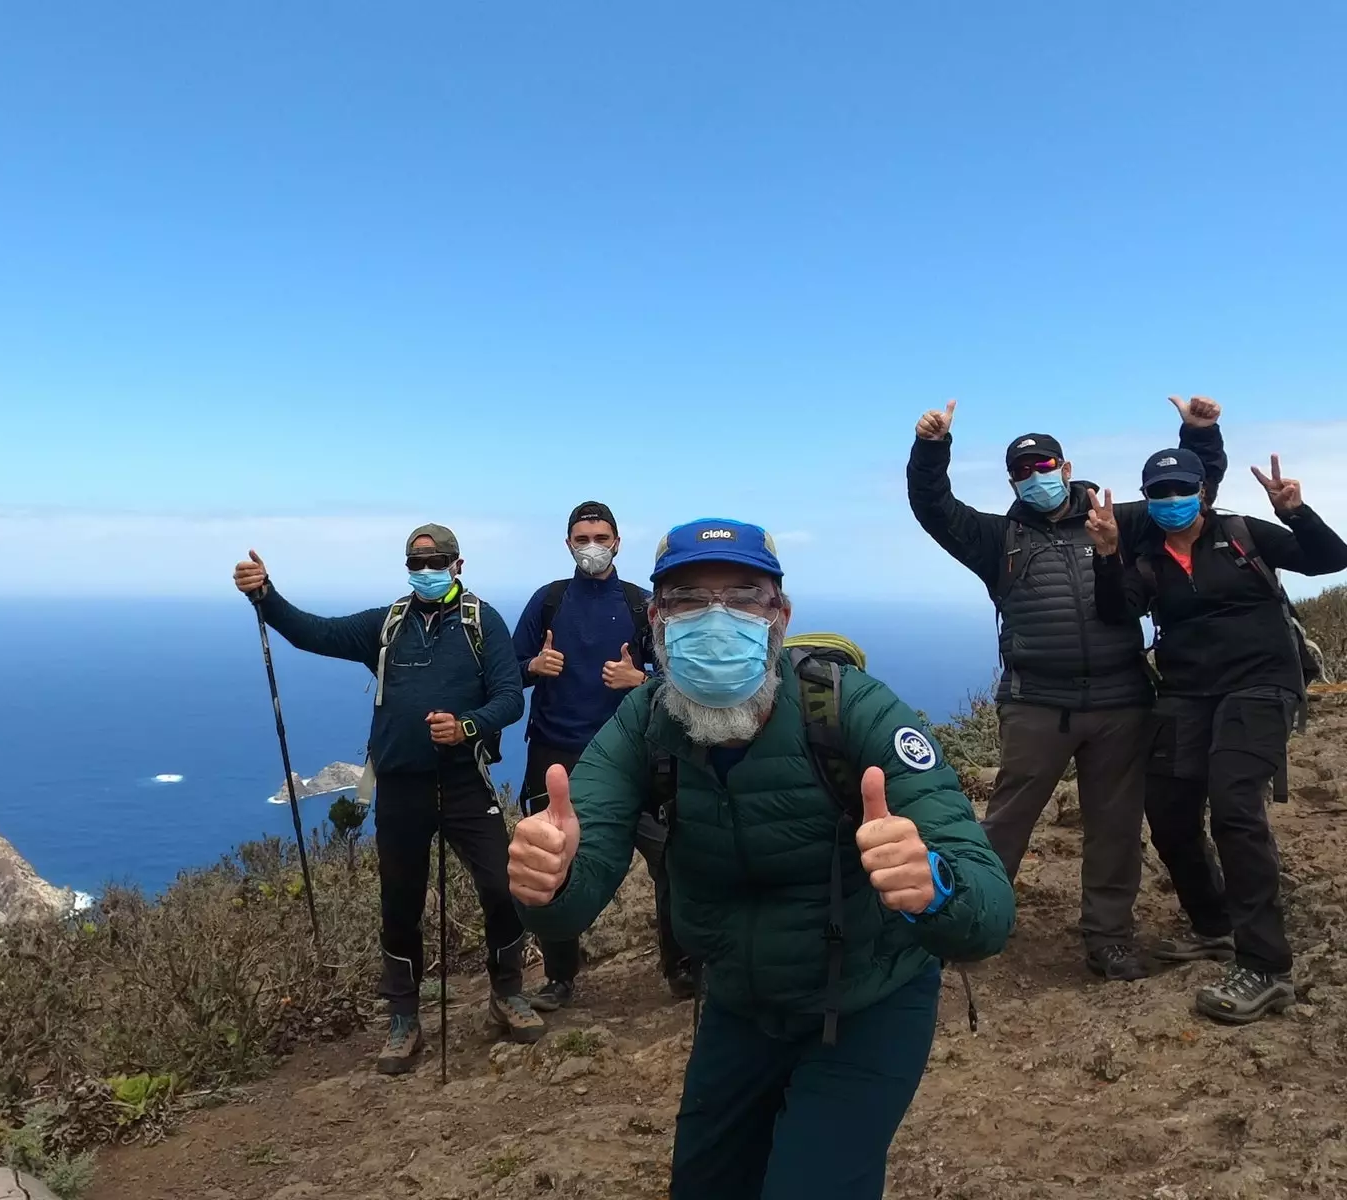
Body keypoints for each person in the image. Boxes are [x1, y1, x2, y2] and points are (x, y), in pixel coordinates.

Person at [507, 518, 1014, 1200]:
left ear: (780, 616)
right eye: (687, 600)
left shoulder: (850, 709)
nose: (716, 618)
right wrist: (548, 879)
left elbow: (989, 911)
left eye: (743, 595)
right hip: (739, 1006)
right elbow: (573, 890)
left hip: (868, 1001)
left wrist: (935, 886)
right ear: (655, 619)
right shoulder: (643, 723)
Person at [906, 395, 1227, 980]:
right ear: (1011, 481)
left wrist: (1200, 435)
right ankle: (970, 922)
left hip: (1121, 701)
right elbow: (933, 508)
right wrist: (932, 448)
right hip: (1035, 703)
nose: (1036, 478)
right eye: (1023, 472)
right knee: (1006, 820)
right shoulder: (995, 537)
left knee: (1116, 826)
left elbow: (1189, 496)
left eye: (1045, 466)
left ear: (1067, 468)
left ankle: (1110, 939)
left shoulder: (1119, 521)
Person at [233, 523, 543, 1075]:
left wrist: (467, 725)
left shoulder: (482, 622)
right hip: (400, 784)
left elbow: (508, 697)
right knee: (399, 903)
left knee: (503, 885)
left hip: (465, 783)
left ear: (458, 564)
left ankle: (507, 992)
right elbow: (313, 633)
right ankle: (404, 1019)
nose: (426, 569)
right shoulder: (389, 624)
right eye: (417, 561)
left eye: (437, 560)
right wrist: (266, 596)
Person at [1090, 451, 1347, 1023]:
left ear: (1202, 490)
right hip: (1184, 694)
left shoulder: (1243, 534)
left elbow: (1331, 559)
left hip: (1261, 686)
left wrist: (1297, 512)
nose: (1170, 501)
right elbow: (1116, 612)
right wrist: (1109, 555)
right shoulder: (1148, 557)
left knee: (1235, 808)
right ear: (1147, 498)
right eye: (1158, 492)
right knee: (1170, 814)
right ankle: (1214, 926)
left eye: (1181, 488)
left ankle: (1266, 966)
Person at [512, 500, 690, 1011]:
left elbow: (680, 676)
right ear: (568, 544)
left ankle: (681, 967)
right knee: (554, 864)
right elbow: (507, 670)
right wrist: (534, 666)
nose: (592, 546)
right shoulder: (548, 601)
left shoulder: (640, 606)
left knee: (670, 858)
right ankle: (559, 979)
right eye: (582, 538)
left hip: (635, 758)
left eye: (601, 537)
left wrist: (642, 679)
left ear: (617, 542)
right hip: (557, 758)